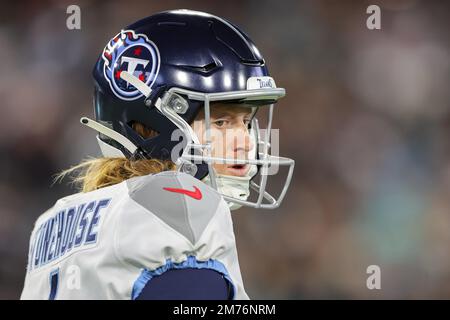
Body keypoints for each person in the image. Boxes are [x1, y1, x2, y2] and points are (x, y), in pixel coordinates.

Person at [20, 9, 294, 300]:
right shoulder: (179, 206)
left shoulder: (52, 224)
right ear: (154, 124)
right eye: (221, 122)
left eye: (247, 122)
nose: (246, 143)